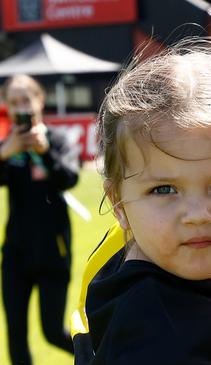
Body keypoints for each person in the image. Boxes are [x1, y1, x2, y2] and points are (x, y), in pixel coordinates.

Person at [71, 40, 211, 365]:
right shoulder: (160, 326)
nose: (198, 215)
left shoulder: (132, 262)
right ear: (118, 203)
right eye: (164, 190)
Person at [0, 74, 79, 364]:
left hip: (53, 252)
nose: (20, 106)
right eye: (13, 101)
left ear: (39, 100)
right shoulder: (7, 146)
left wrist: (44, 152)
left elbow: (68, 179)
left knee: (53, 332)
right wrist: (5, 153)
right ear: (6, 106)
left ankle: (101, 356)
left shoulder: (57, 140)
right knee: (16, 336)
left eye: (25, 99)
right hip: (15, 254)